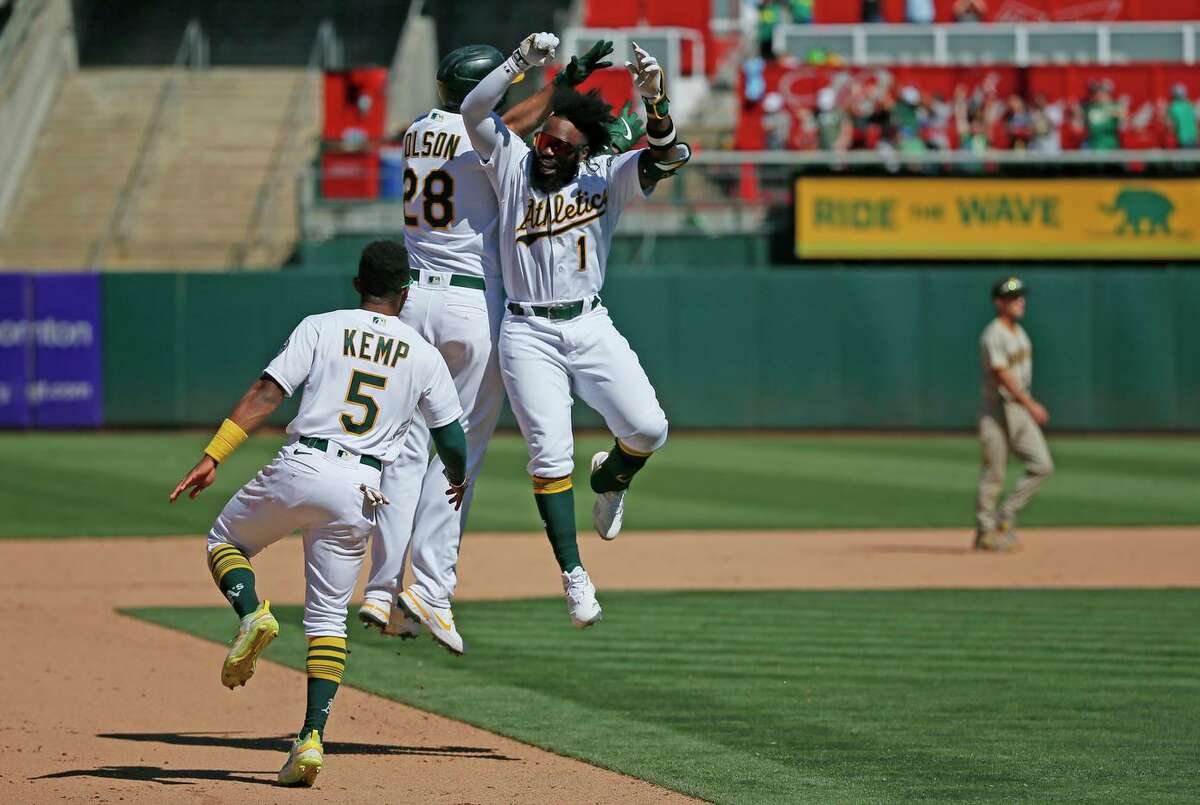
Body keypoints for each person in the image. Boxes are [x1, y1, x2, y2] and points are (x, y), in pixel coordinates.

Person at [354, 40, 633, 655]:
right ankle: (431, 587)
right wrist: (560, 88)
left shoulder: (417, 131)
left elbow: (504, 118)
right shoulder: (479, 132)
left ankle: (378, 587)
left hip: (412, 300)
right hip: (468, 303)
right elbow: (505, 123)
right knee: (461, 456)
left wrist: (558, 86)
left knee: (401, 455)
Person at [169, 241, 468, 785]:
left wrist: (214, 455)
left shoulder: (322, 325)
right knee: (328, 621)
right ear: (406, 294)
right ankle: (309, 742)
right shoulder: (424, 353)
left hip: (304, 466)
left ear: (357, 285)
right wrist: (456, 476)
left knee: (223, 542)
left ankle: (251, 613)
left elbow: (267, 393)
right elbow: (450, 436)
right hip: (361, 492)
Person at [459, 33, 688, 626]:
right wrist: (524, 65)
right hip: (527, 330)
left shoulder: (603, 177)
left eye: (561, 146)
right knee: (549, 456)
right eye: (545, 140)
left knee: (649, 428)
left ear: (582, 153)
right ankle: (574, 577)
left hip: (589, 323)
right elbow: (472, 112)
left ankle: (611, 479)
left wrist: (654, 101)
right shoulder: (511, 163)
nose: (547, 151)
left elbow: (664, 155)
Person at [974, 277, 1054, 552]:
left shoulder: (1019, 333)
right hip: (997, 409)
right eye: (1012, 297)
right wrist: (1030, 404)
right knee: (994, 473)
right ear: (999, 303)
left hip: (1017, 409)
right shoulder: (993, 334)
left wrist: (1026, 405)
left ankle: (1004, 515)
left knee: (1042, 465)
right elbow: (1002, 374)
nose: (1020, 301)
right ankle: (985, 532)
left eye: (1021, 296)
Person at [1166, 83, 1198, 149]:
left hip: (1182, 139)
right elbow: (1196, 121)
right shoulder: (1189, 105)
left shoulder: (1173, 107)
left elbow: (1171, 125)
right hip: (1194, 137)